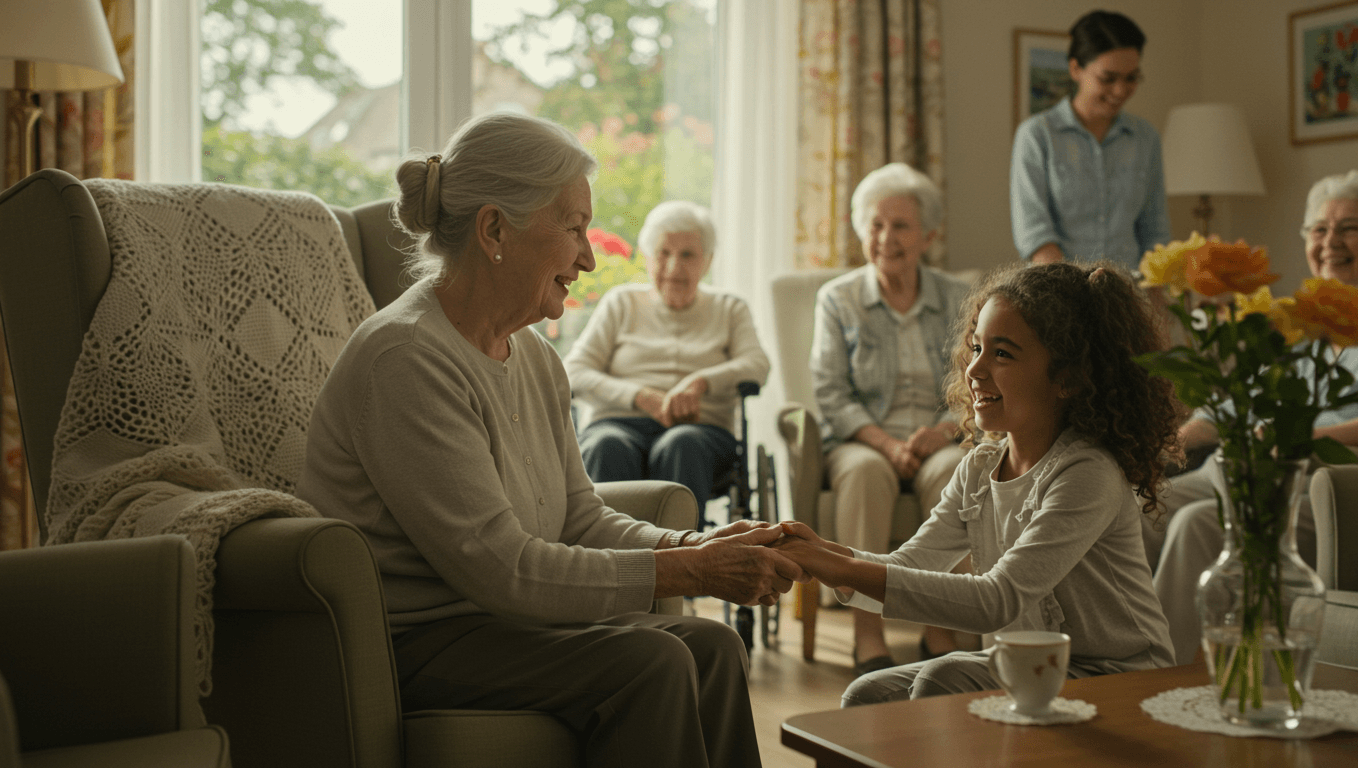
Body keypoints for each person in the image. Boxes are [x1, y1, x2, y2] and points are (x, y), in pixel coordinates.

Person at [296, 112, 805, 768]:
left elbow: (579, 516)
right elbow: (503, 568)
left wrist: (693, 544)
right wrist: (689, 568)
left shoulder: (533, 356)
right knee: (652, 662)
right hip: (416, 641)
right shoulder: (407, 356)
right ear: (494, 229)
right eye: (572, 228)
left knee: (714, 647)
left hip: (501, 629)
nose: (590, 257)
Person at [778, 262, 1180, 706]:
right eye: (976, 348)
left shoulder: (1088, 472)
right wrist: (818, 554)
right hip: (1031, 666)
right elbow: (912, 563)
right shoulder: (979, 467)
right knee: (867, 694)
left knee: (942, 678)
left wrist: (838, 566)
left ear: (1067, 378)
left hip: (1119, 676)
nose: (974, 370)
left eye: (1002, 354)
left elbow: (996, 600)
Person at [1149, 169, 1358, 664]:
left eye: (1349, 228)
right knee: (1137, 505)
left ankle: (1154, 676)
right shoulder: (1303, 318)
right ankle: (1097, 660)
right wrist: (1180, 437)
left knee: (1199, 525)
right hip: (1237, 467)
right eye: (1319, 230)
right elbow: (1238, 399)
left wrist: (1300, 435)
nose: (1330, 241)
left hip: (1319, 480)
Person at [811, 161, 976, 675]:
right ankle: (867, 632)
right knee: (863, 475)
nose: (886, 238)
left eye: (900, 226)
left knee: (955, 471)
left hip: (940, 438)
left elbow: (979, 378)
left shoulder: (958, 296)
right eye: (875, 225)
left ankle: (937, 626)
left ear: (928, 234)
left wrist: (945, 430)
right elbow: (831, 393)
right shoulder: (838, 299)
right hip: (864, 439)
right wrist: (886, 444)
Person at [565, 201, 770, 531]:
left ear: (708, 261)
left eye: (688, 255)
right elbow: (574, 370)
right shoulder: (622, 303)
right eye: (664, 253)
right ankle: (608, 560)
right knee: (606, 446)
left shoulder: (729, 309)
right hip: (618, 424)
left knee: (681, 444)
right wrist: (640, 396)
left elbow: (757, 365)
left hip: (701, 432)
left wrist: (701, 382)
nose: (675, 266)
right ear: (648, 258)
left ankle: (684, 561)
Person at [1010, 10, 1170, 271]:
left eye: (1131, 78)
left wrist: (1155, 299)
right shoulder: (1037, 135)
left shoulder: (1145, 138)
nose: (1120, 90)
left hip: (1129, 295)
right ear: (1076, 69)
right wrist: (1075, 292)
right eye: (1108, 79)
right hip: (1060, 291)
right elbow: (1034, 233)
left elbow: (1155, 230)